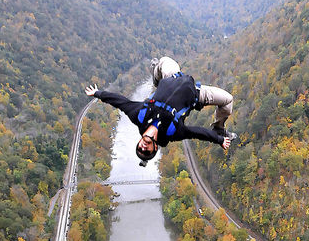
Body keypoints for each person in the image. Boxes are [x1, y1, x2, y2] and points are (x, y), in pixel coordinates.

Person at [85, 56, 236, 166]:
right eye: (147, 151)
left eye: (140, 148)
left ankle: (156, 75)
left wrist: (98, 94)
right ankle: (219, 129)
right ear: (155, 147)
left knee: (164, 61)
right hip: (197, 94)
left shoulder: (139, 116)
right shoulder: (172, 132)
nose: (143, 148)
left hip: (171, 76)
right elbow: (197, 132)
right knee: (228, 100)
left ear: (139, 142)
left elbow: (121, 102)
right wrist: (219, 140)